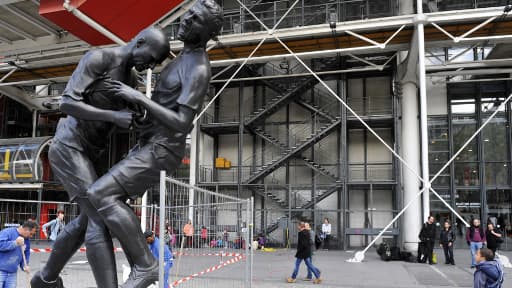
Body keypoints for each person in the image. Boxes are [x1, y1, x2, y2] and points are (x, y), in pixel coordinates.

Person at [85, 2, 223, 286]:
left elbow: (182, 122)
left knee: (99, 194)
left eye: (196, 19)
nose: (187, 20)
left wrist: (138, 98)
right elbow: (164, 109)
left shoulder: (198, 68)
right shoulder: (180, 60)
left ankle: (146, 265)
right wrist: (140, 116)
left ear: (207, 31)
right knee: (95, 209)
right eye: (189, 14)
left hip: (162, 150)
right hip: (150, 143)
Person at [30, 27, 171, 288]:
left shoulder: (131, 81)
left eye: (155, 63)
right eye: (151, 57)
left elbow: (129, 117)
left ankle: (46, 278)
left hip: (93, 153)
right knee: (97, 218)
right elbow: (67, 103)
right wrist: (113, 117)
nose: (149, 65)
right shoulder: (100, 59)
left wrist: (137, 117)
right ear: (139, 42)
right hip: (68, 145)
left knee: (86, 221)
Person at [0, 221, 37, 288]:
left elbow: (26, 255)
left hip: (12, 272)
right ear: (26, 229)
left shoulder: (27, 240)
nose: (31, 236)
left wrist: (24, 266)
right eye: (31, 234)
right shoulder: (7, 232)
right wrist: (15, 243)